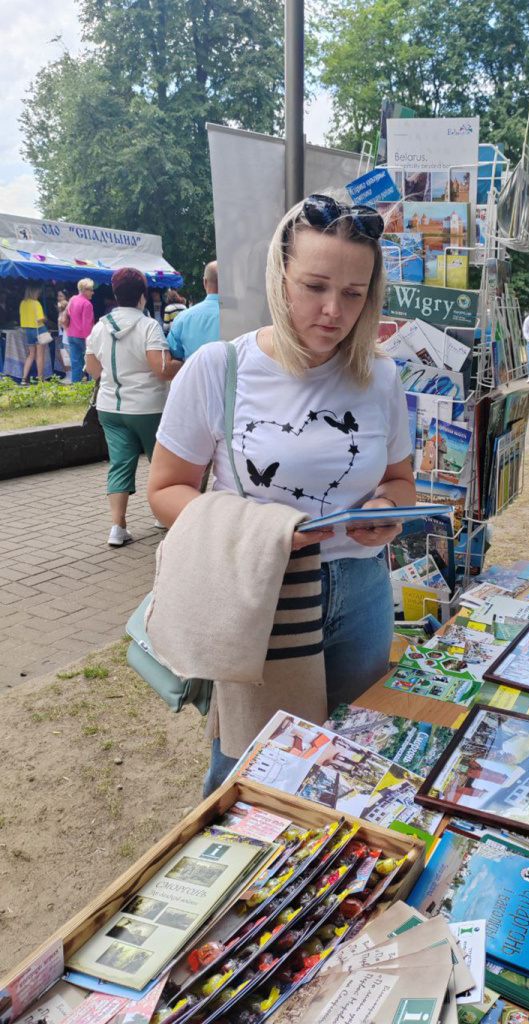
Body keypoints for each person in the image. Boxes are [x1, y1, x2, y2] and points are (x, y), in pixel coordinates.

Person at [147, 193, 415, 795]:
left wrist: (386, 510)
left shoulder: (382, 379)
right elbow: (163, 492)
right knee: (252, 768)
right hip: (262, 589)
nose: (333, 311)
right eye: (314, 286)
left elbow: (400, 481)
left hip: (364, 589)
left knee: (354, 756)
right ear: (279, 277)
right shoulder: (220, 368)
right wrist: (267, 531)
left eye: (354, 294)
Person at [85, 268, 183, 547]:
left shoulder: (99, 326)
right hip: (148, 407)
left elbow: (93, 369)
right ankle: (163, 517)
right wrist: (187, 364)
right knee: (161, 464)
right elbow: (162, 368)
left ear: (115, 295)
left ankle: (117, 527)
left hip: (110, 407)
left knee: (119, 463)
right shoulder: (148, 325)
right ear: (142, 296)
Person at [167, 261, 221, 361]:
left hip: (195, 375)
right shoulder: (245, 318)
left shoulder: (182, 318)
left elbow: (174, 354)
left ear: (205, 282)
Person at [66, 278, 96, 384]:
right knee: (92, 360)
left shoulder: (73, 299)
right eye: (91, 289)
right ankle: (93, 384)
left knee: (75, 362)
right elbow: (86, 325)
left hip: (70, 334)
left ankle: (76, 386)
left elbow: (68, 315)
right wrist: (89, 342)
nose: (93, 292)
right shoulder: (87, 304)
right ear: (84, 290)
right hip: (82, 336)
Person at [20, 285, 48, 384]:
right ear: (34, 292)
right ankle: (40, 379)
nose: (39, 295)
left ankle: (23, 378)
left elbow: (22, 321)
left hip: (28, 330)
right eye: (38, 293)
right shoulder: (36, 303)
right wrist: (45, 318)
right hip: (39, 329)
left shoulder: (23, 303)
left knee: (31, 355)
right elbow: (40, 319)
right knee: (40, 355)